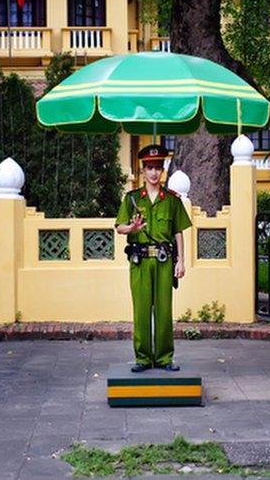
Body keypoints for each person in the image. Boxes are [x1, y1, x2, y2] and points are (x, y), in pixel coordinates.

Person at [114, 144, 192, 373]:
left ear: (163, 169)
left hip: (164, 261)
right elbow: (119, 228)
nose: (154, 172)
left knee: (164, 310)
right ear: (143, 169)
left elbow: (178, 231)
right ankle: (143, 359)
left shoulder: (172, 200)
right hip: (139, 263)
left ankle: (165, 358)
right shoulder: (132, 199)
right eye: (149, 167)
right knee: (141, 310)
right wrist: (132, 227)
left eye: (158, 167)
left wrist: (181, 261)